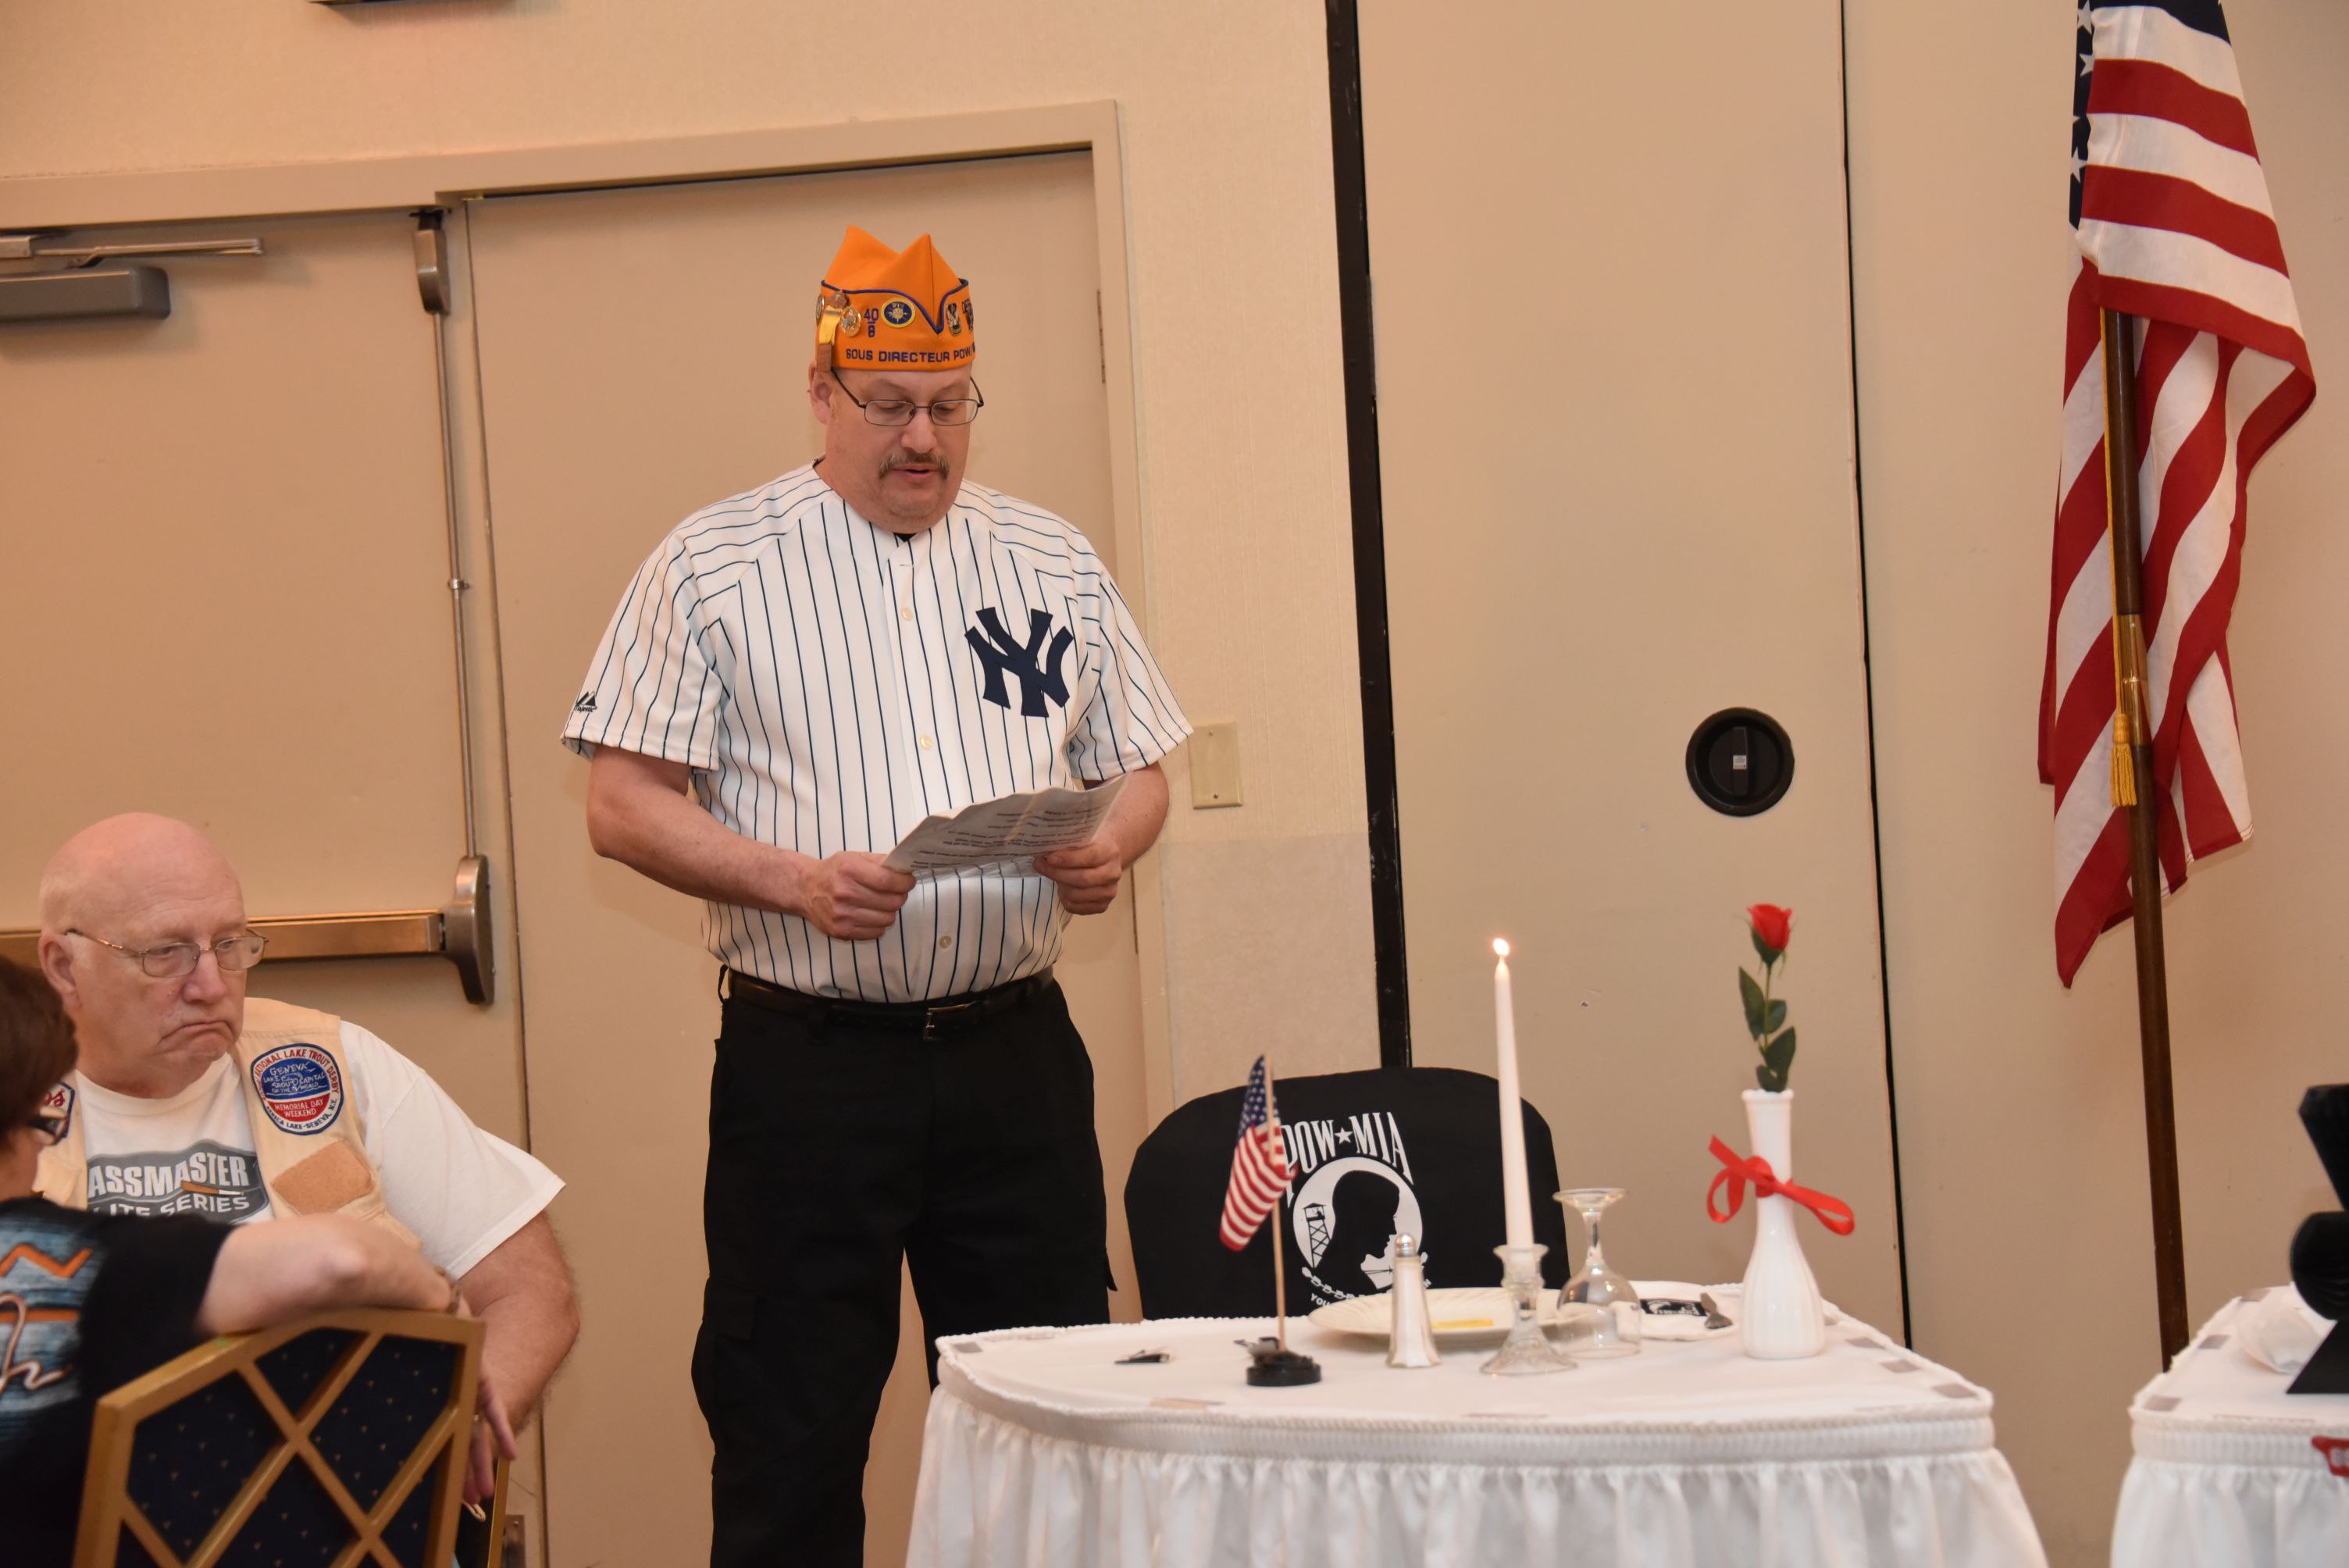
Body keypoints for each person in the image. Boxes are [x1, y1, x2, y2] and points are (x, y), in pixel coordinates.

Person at [569, 223, 1189, 1565]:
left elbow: (1137, 768)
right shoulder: (713, 563)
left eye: (950, 407)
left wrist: (1113, 844)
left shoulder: (1050, 555)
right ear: (821, 392)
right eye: (891, 406)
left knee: (1051, 1421)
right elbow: (620, 803)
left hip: (1013, 1062)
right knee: (789, 1432)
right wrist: (789, 879)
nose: (924, 440)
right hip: (812, 1072)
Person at [31, 813, 578, 1499]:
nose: (212, 984)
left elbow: (528, 1289)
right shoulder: (15, 1104)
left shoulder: (330, 1064)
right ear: (64, 966)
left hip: (353, 1505)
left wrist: (450, 1440)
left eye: (229, 945)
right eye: (165, 954)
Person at [0, 956, 479, 1567]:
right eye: (41, 1122)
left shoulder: (336, 1054)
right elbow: (340, 1259)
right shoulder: (68, 1263)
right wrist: (448, 1303)